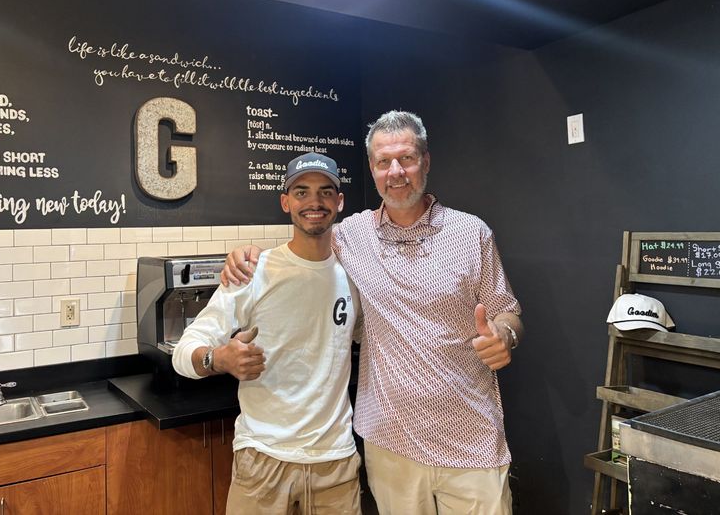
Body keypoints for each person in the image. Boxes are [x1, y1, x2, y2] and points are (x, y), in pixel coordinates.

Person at [222, 110, 525, 515]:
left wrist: (505, 336)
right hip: (390, 443)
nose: (396, 172)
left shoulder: (472, 233)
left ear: (426, 162)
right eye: (384, 162)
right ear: (373, 168)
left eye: (407, 159)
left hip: (470, 439)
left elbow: (508, 312)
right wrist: (246, 254)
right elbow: (303, 243)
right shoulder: (351, 235)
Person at [172, 152, 363, 515]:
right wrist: (218, 359)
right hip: (262, 459)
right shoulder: (253, 272)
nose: (314, 202)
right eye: (302, 192)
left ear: (339, 202)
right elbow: (186, 352)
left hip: (335, 463)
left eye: (325, 192)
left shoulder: (354, 275)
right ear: (286, 202)